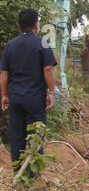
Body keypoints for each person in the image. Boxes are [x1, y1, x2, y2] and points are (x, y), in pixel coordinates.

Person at [0, 9, 59, 172]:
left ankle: (18, 174)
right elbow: (48, 69)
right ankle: (32, 176)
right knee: (35, 137)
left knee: (17, 136)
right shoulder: (42, 43)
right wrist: (52, 92)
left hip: (15, 99)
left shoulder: (11, 45)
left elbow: (4, 73)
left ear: (20, 25)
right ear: (36, 24)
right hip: (34, 99)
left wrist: (4, 95)